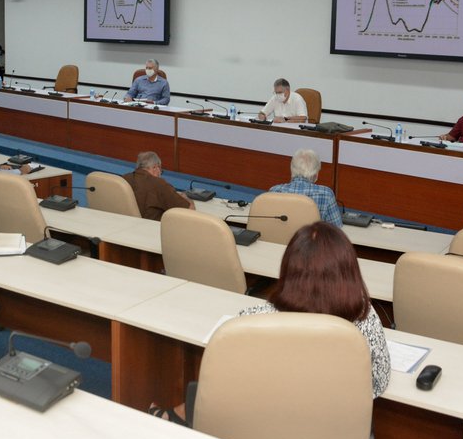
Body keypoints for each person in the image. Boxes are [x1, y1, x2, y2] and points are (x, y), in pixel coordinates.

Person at [150, 221, 390, 424]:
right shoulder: (366, 318)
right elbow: (378, 383)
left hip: (261, 426)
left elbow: (226, 373)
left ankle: (175, 417)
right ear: (349, 272)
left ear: (288, 269)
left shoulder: (253, 320)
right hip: (333, 430)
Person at [269, 148, 343, 227]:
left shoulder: (274, 191)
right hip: (311, 239)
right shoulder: (326, 194)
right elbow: (336, 229)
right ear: (316, 173)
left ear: (292, 170)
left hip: (281, 238)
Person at [123, 151, 194, 220]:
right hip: (154, 228)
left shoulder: (124, 179)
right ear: (155, 167)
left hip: (127, 225)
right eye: (161, 170)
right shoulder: (159, 184)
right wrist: (187, 199)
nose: (160, 173)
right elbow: (189, 210)